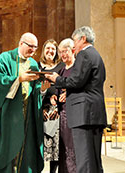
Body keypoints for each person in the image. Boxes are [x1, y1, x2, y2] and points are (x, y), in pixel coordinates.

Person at [45, 26, 107, 173]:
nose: (74, 46)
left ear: (82, 39)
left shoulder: (84, 55)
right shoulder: (96, 55)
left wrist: (57, 79)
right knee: (94, 161)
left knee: (84, 160)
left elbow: (75, 81)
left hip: (83, 114)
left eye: (75, 41)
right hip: (94, 113)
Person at [0, 32, 44, 173]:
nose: (33, 50)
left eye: (36, 47)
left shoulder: (33, 63)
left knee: (25, 148)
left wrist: (41, 83)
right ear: (21, 43)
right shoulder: (5, 58)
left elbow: (35, 88)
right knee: (9, 148)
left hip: (27, 113)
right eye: (30, 46)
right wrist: (19, 79)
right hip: (8, 113)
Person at [50, 38, 76, 173]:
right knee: (63, 151)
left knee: (72, 151)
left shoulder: (77, 69)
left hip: (74, 116)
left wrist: (69, 93)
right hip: (62, 116)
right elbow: (58, 89)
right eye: (60, 52)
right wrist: (55, 97)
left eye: (65, 51)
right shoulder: (61, 71)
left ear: (73, 50)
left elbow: (82, 88)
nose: (63, 55)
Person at [38, 39, 64, 173]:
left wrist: (58, 106)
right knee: (40, 146)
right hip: (39, 109)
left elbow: (64, 88)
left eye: (53, 49)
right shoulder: (37, 67)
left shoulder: (61, 67)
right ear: (43, 50)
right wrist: (41, 107)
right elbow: (33, 90)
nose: (50, 51)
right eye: (48, 48)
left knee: (56, 148)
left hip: (55, 110)